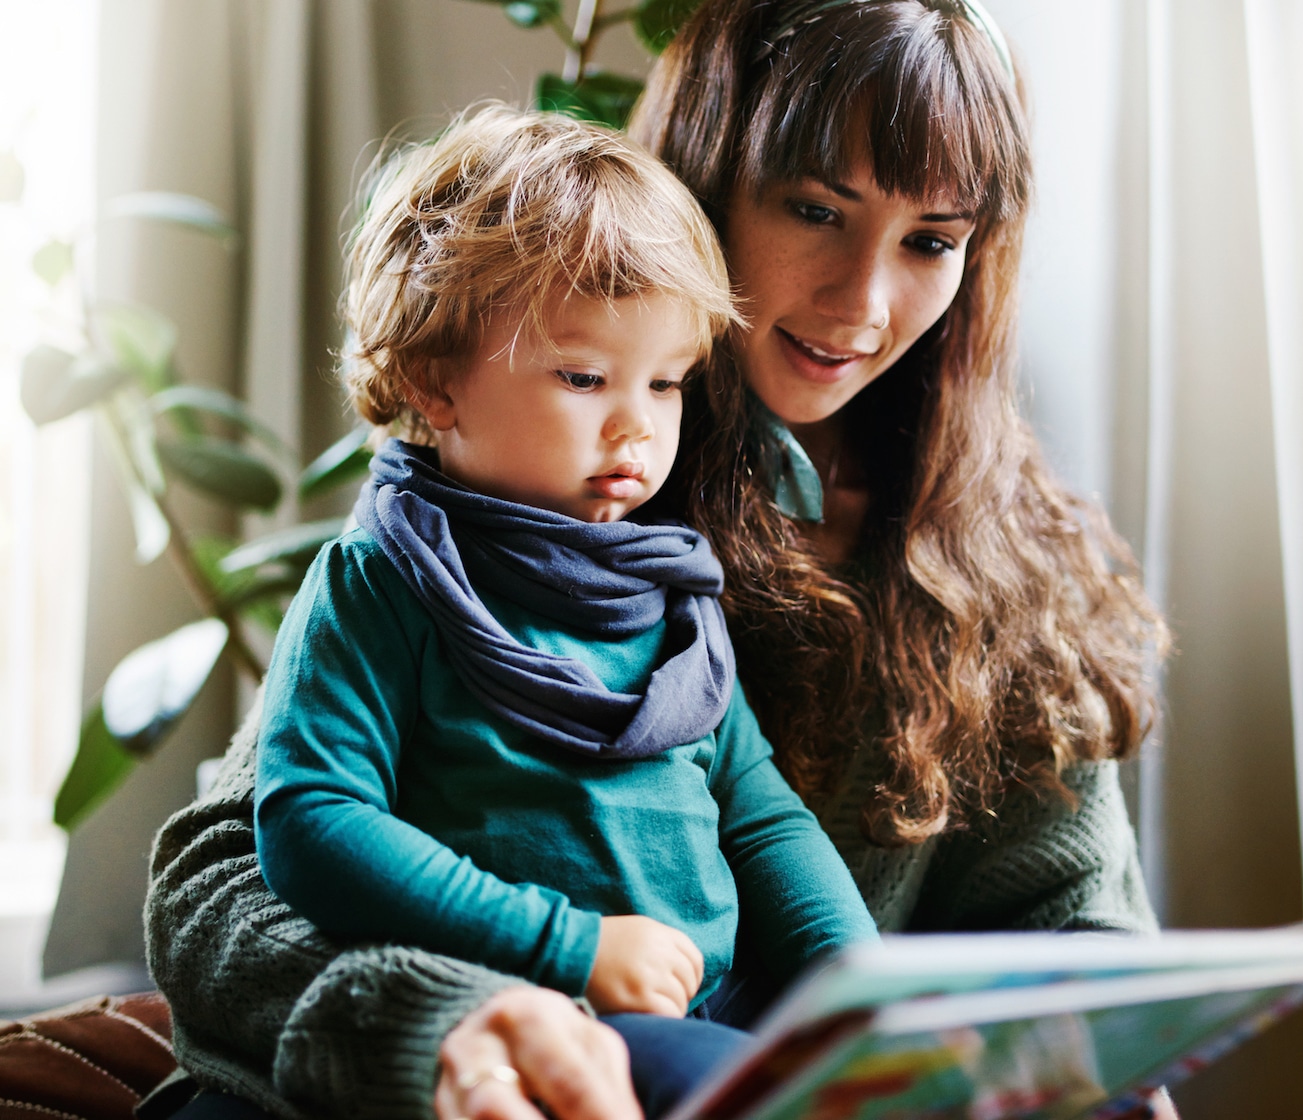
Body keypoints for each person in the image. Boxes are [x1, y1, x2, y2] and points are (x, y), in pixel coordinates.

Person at [144, 2, 1170, 1118]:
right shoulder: (511, 481)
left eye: (931, 241)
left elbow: (1075, 933)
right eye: (816, 210)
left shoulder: (1008, 561)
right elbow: (223, 877)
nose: (863, 304)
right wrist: (448, 1021)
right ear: (706, 174)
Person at [247, 101, 877, 1111]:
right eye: (585, 376)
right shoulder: (383, 581)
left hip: (714, 1009)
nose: (638, 426)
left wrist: (859, 983)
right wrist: (569, 944)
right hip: (535, 1023)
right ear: (434, 380)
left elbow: (761, 823)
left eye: (667, 383)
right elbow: (311, 820)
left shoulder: (672, 596)